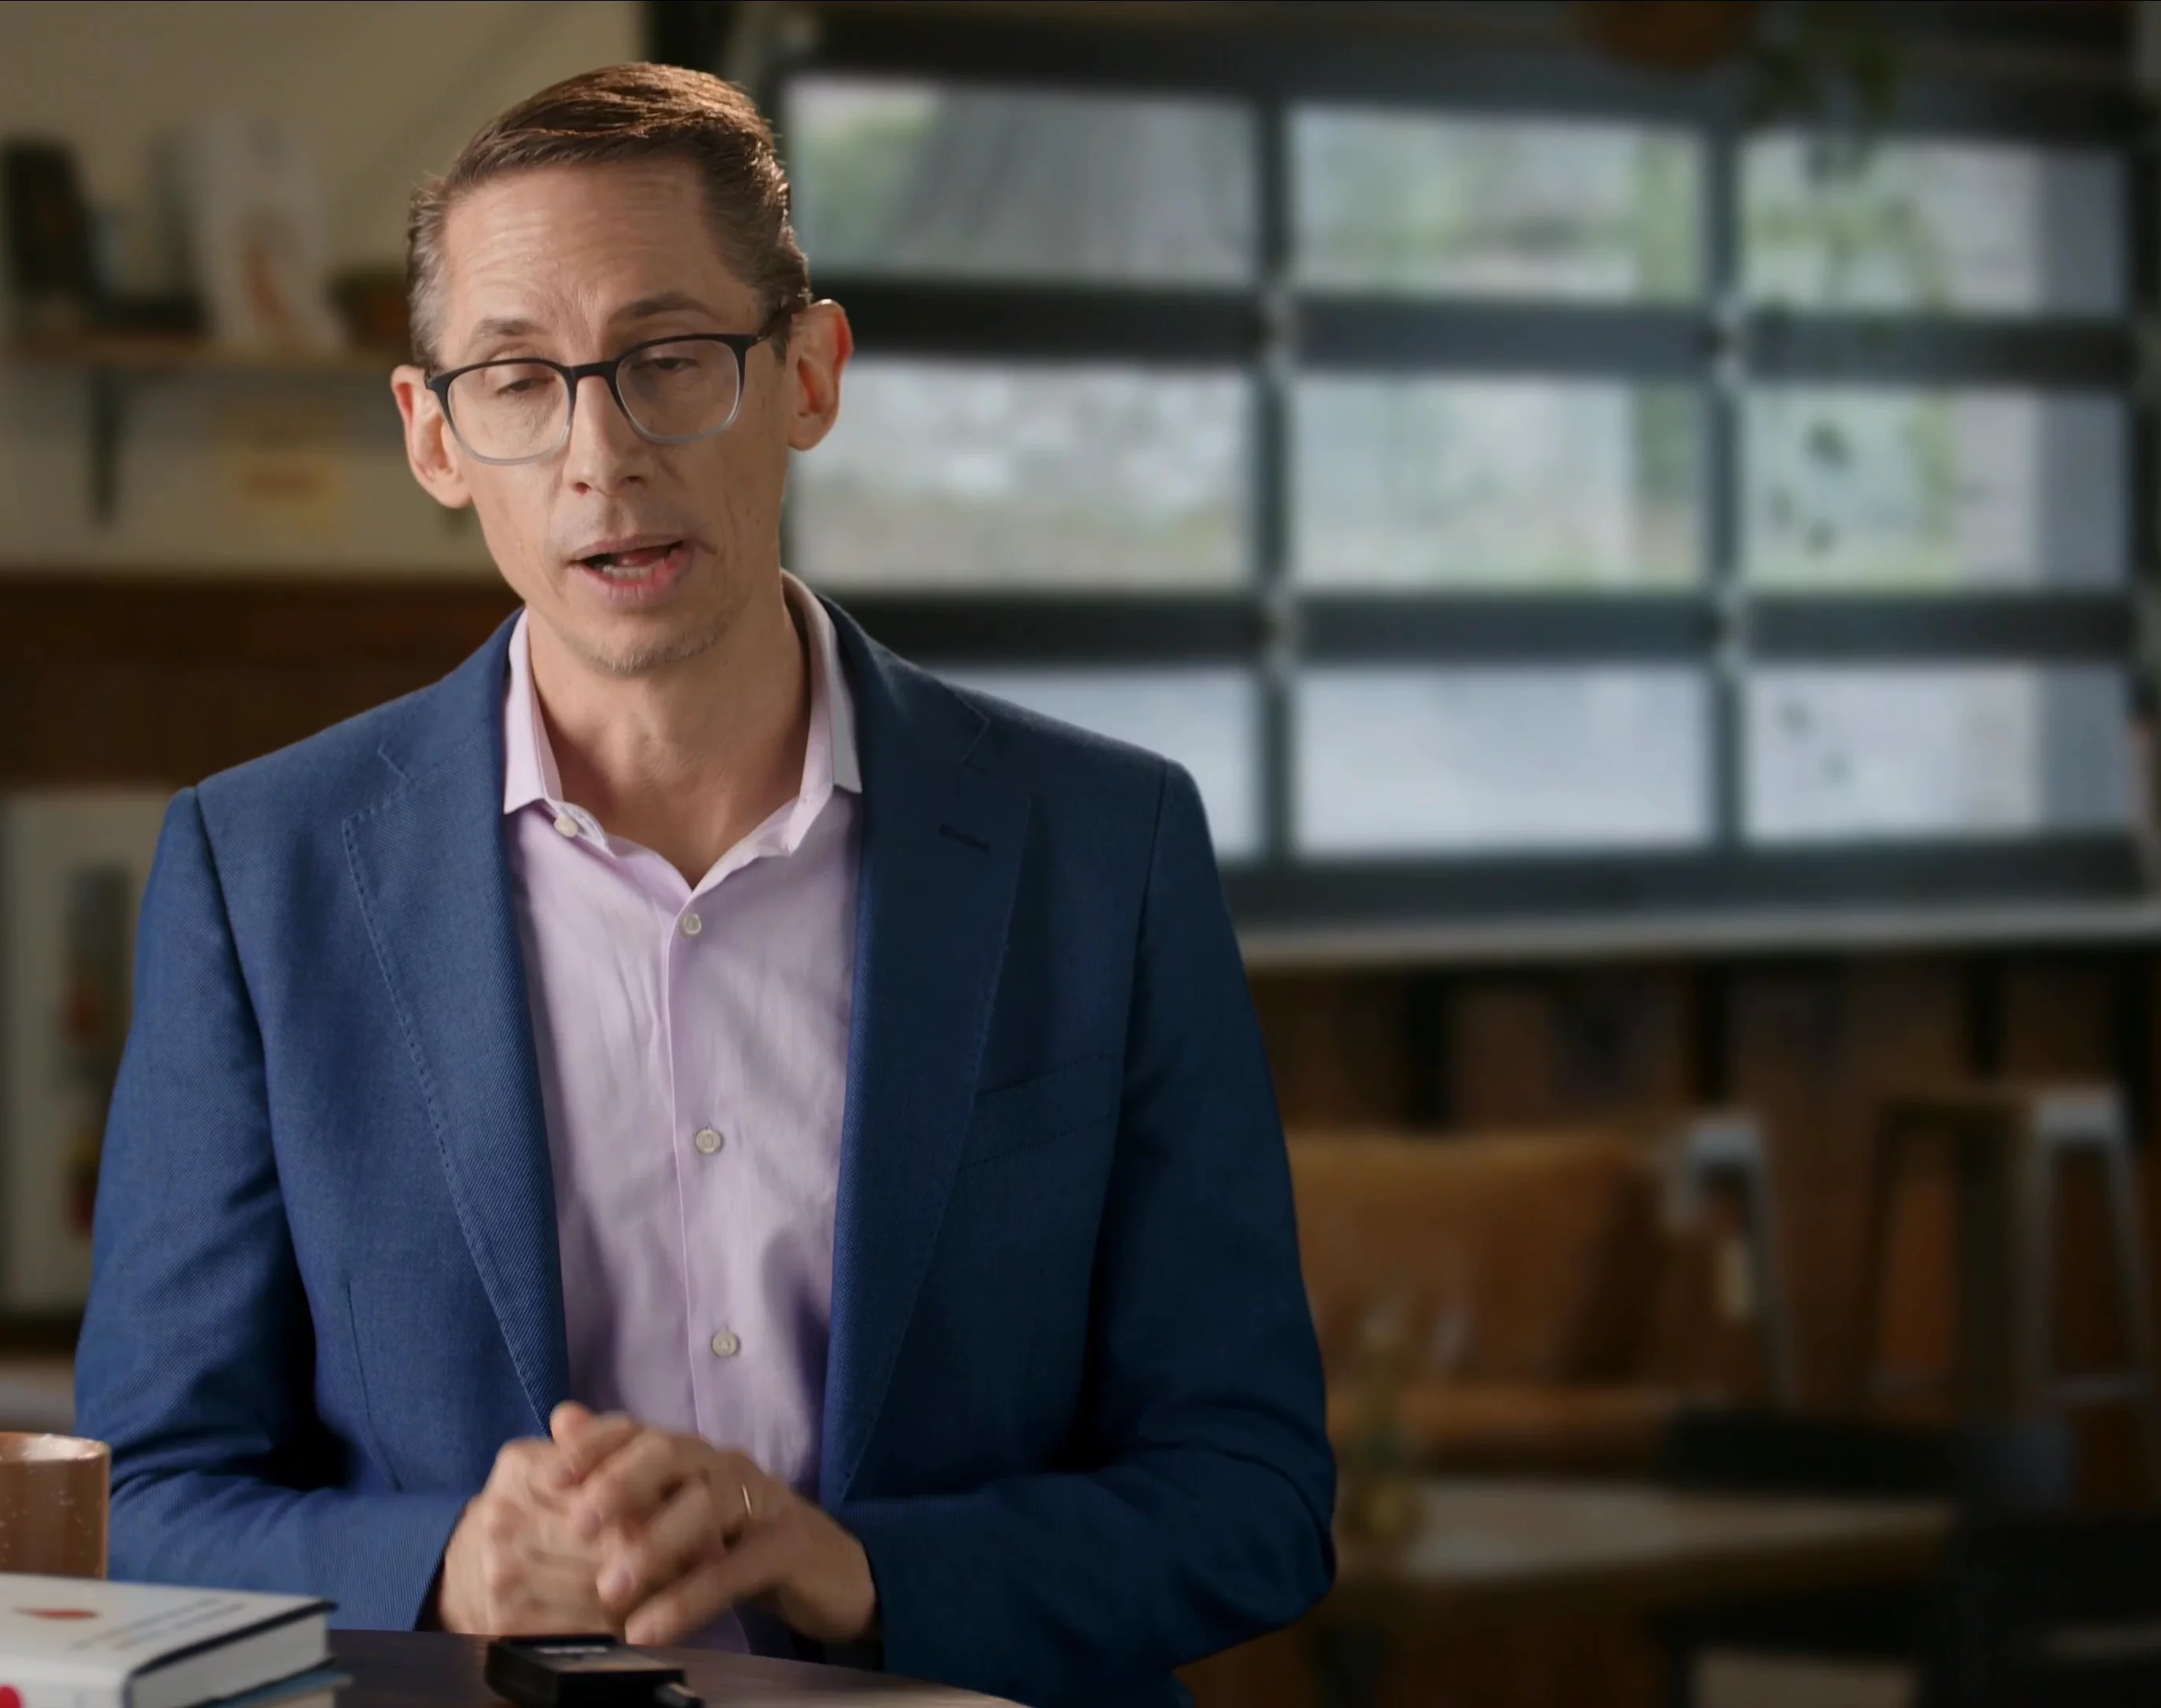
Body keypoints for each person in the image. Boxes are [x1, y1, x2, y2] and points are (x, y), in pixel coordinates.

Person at [73, 63, 1333, 1706]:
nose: (600, 455)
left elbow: (1253, 1497)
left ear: (808, 374)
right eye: (518, 382)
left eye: (670, 362)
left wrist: (867, 1573)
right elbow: (137, 1506)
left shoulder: (1105, 850)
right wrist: (444, 1570)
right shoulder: (263, 874)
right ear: (435, 437)